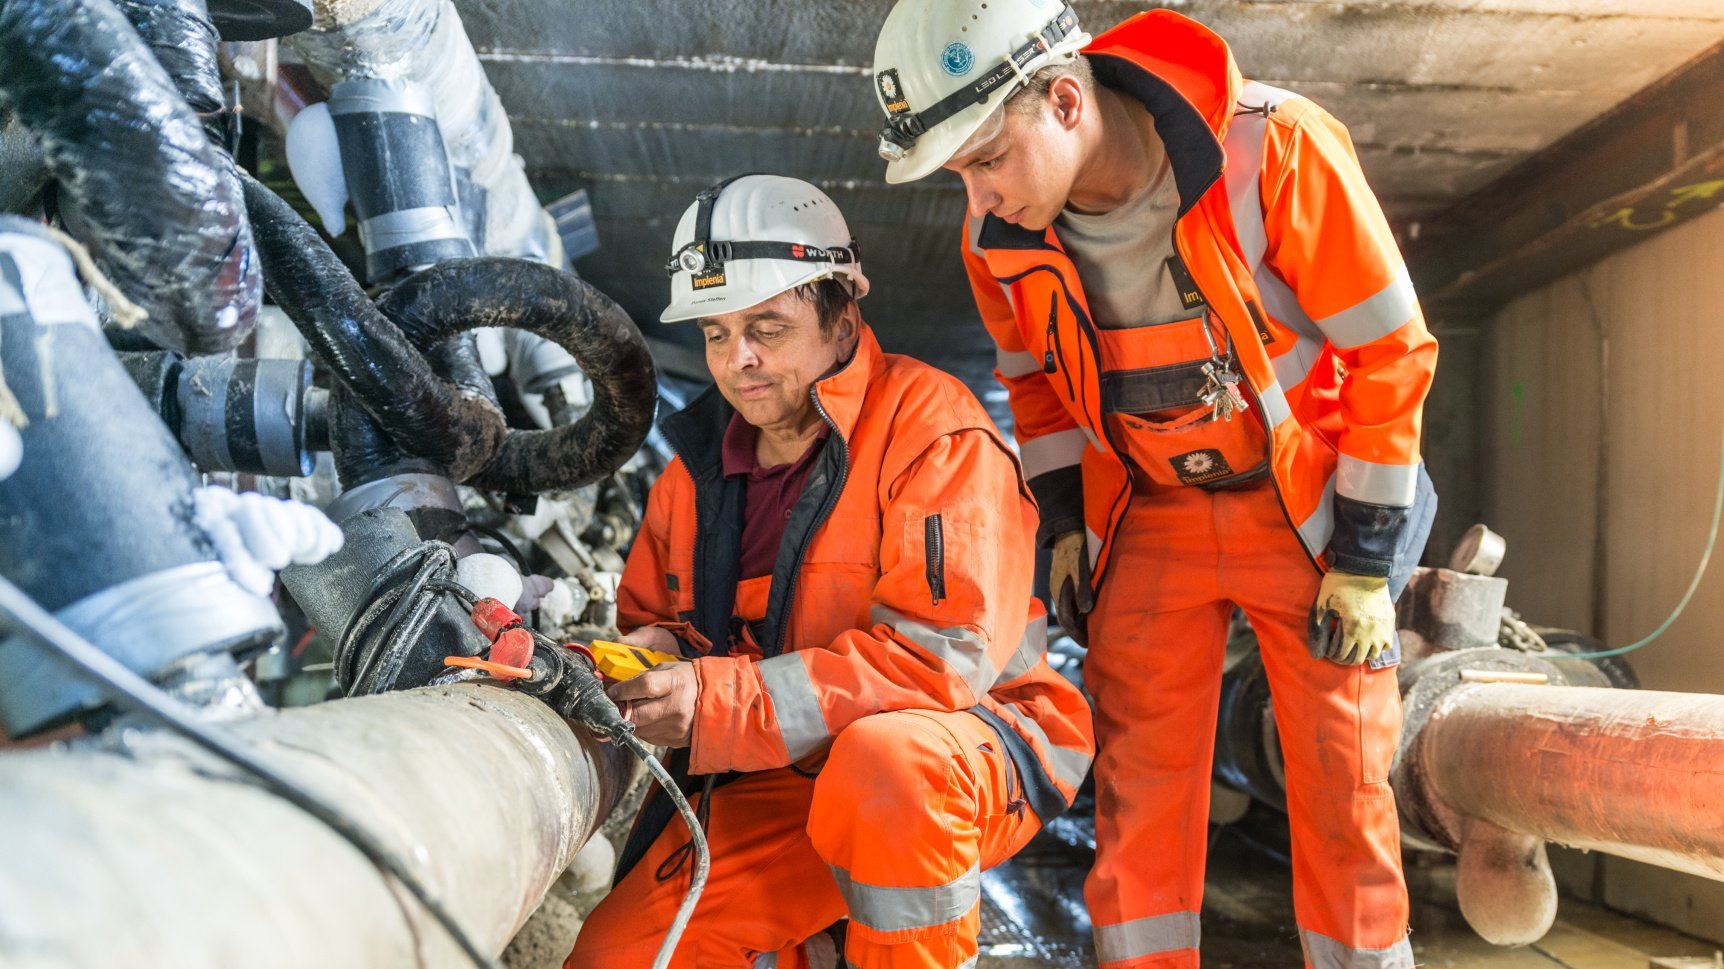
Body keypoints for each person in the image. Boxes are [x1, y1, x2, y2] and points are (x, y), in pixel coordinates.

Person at [870, 3, 1439, 967]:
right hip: (1148, 512)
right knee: (1137, 797)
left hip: (1306, 515)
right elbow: (1035, 394)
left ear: (1061, 100)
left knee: (1345, 787)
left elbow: (1390, 347)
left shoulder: (1275, 150)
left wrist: (1366, 560)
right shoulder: (995, 239)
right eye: (958, 171)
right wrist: (1062, 529)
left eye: (983, 158)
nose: (976, 193)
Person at [567, 174, 1095, 969]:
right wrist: (632, 662)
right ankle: (818, 946)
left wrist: (715, 702)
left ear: (843, 314)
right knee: (618, 958)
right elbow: (667, 628)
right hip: (781, 770)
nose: (737, 360)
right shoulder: (696, 476)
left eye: (766, 327)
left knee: (885, 765)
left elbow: (937, 666)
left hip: (965, 748)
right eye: (714, 334)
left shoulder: (933, 432)